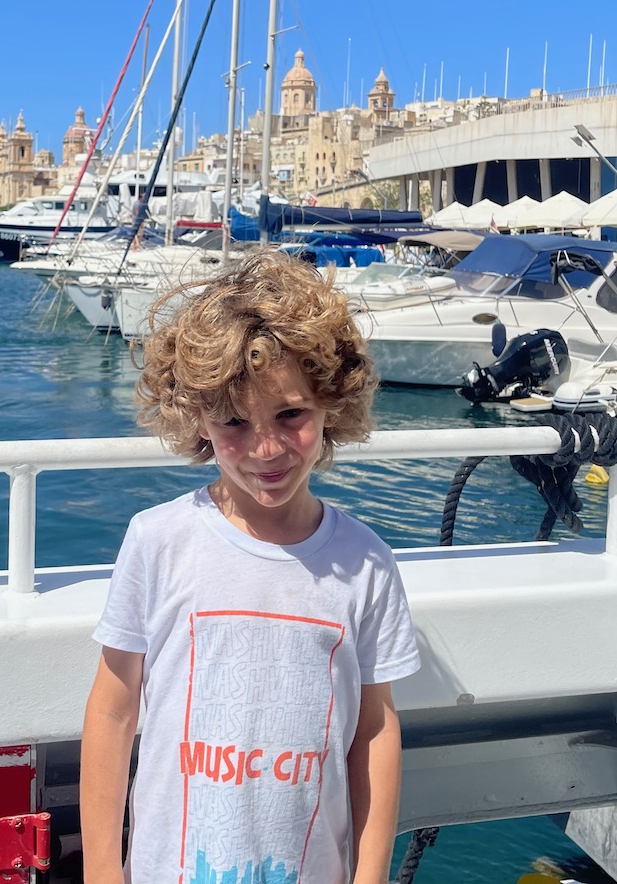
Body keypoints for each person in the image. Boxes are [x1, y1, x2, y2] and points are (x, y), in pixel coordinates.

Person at [80, 253, 420, 884]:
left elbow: (374, 728)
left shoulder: (365, 563)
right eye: (235, 422)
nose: (266, 449)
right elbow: (113, 709)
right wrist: (104, 869)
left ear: (329, 406)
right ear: (199, 421)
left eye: (290, 414)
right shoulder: (158, 541)